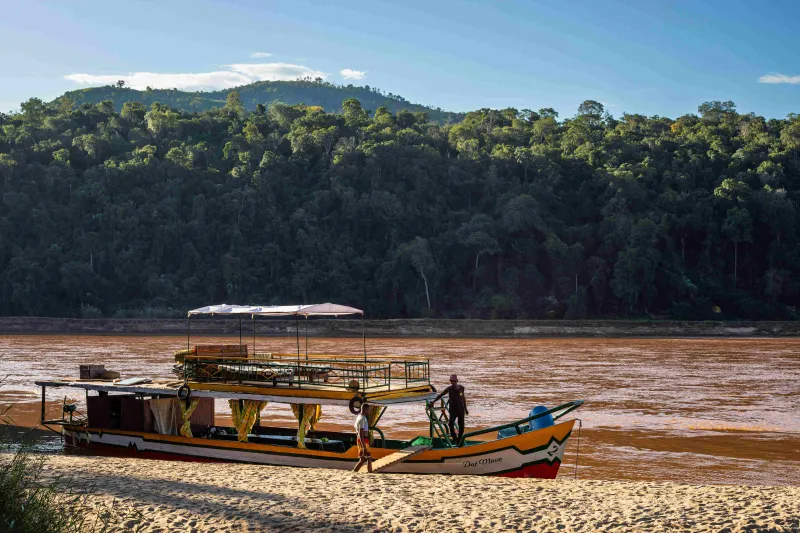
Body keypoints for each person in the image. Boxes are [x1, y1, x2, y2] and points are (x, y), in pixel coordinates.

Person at [430, 374, 469, 444]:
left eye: (454, 381)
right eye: (451, 381)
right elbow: (440, 395)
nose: (453, 382)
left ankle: (459, 441)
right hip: (453, 411)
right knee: (451, 424)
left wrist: (466, 409)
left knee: (462, 428)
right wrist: (434, 401)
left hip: (460, 410)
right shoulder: (449, 389)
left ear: (457, 381)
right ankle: (454, 437)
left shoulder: (461, 388)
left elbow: (463, 398)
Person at [352, 403, 373, 472]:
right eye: (369, 410)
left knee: (363, 459)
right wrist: (364, 447)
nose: (369, 412)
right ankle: (370, 474)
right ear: (365, 409)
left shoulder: (359, 417)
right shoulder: (362, 419)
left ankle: (354, 472)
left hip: (363, 440)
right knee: (368, 459)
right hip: (363, 440)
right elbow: (360, 433)